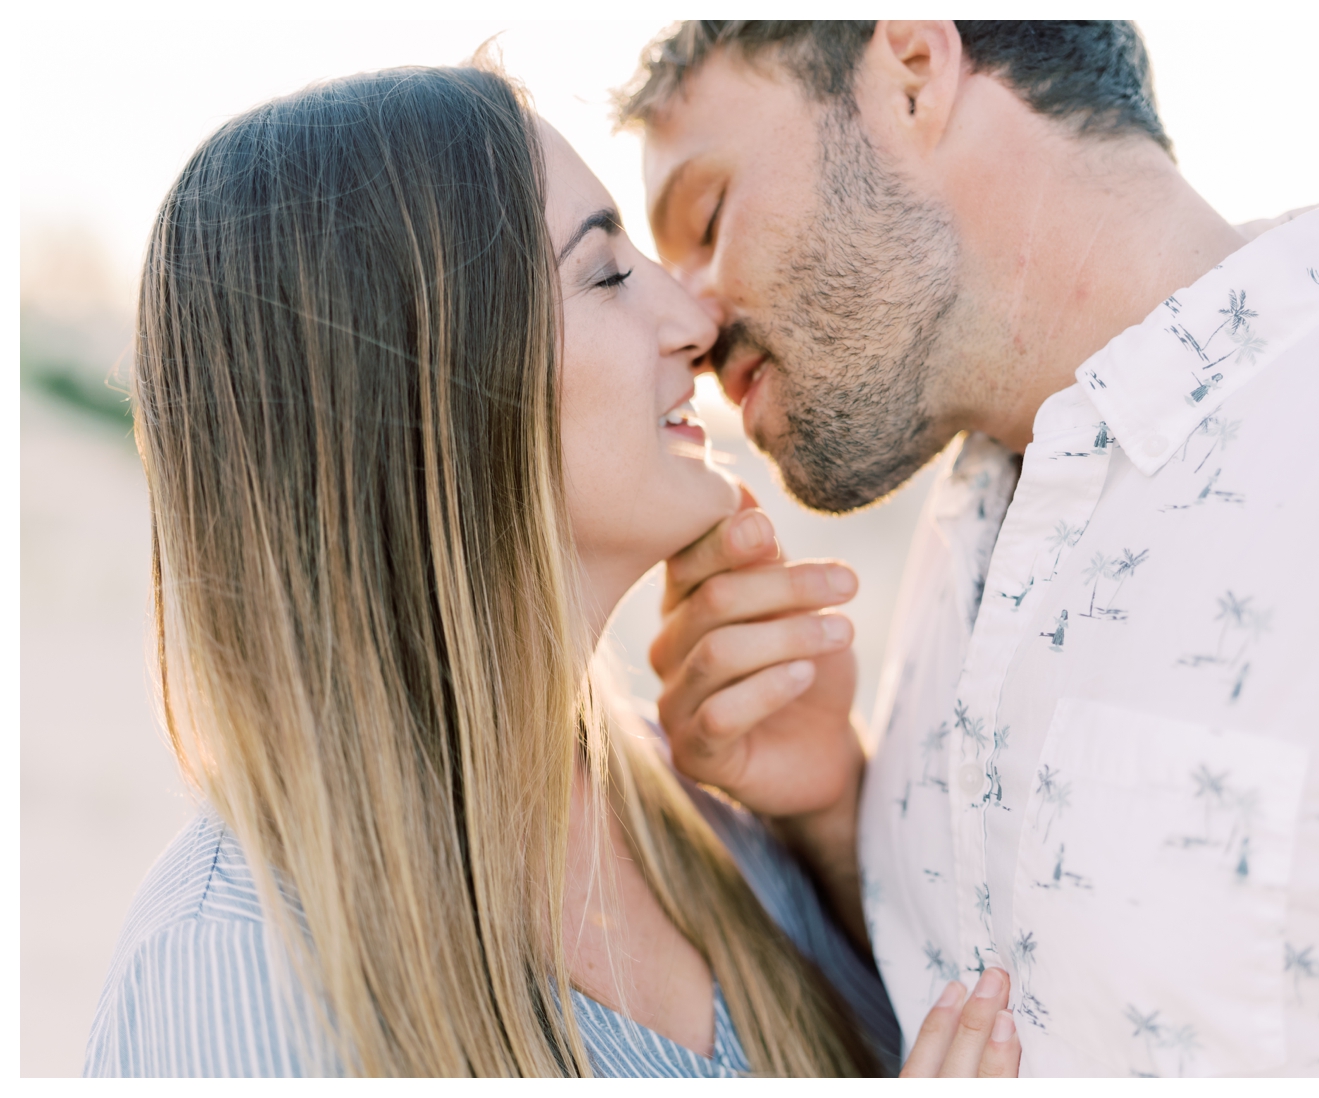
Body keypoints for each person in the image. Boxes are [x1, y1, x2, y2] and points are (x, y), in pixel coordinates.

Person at [82, 56, 1021, 1078]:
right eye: (607, 273)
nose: (698, 324)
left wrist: (831, 811)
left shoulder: (719, 816)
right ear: (423, 394)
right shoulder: (228, 965)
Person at [623, 20, 1319, 1076]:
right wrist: (835, 809)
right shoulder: (979, 514)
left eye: (708, 216)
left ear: (911, 74)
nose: (686, 313)